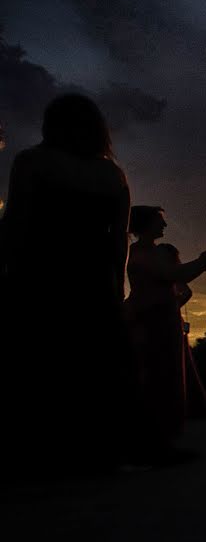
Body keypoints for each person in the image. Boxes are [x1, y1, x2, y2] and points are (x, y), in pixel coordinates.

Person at [0, 93, 134, 473]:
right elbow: (118, 238)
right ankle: (95, 449)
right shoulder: (113, 175)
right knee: (92, 366)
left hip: (41, 272)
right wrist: (116, 284)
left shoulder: (33, 162)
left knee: (39, 361)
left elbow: (17, 221)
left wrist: (7, 265)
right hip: (91, 278)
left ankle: (38, 449)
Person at [125, 206, 206, 459]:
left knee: (163, 377)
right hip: (153, 321)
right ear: (147, 225)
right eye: (160, 221)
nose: (164, 226)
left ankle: (158, 441)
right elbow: (174, 275)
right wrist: (204, 260)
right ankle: (153, 444)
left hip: (159, 319)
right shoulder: (144, 254)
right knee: (159, 378)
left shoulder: (142, 253)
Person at [158, 243, 206, 419]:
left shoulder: (168, 275)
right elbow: (187, 292)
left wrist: (173, 304)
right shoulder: (171, 275)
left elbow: (187, 292)